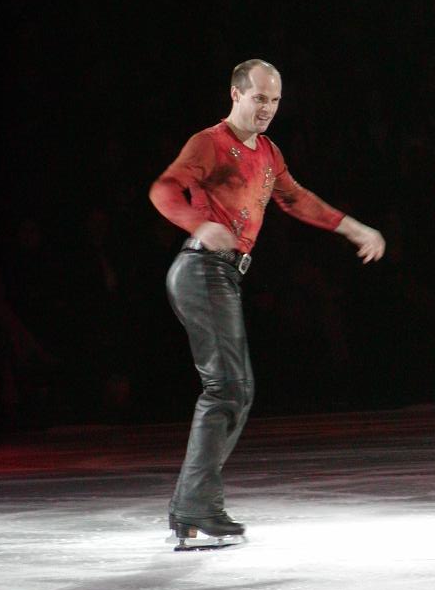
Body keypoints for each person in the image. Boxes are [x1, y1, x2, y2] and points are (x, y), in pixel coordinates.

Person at [149, 59, 385, 543]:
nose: (268, 109)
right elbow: (164, 189)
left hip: (221, 275)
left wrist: (354, 228)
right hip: (201, 269)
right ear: (235, 94)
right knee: (228, 388)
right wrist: (199, 224)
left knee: (235, 390)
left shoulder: (269, 152)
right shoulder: (209, 143)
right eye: (259, 98)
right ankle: (195, 505)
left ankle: (192, 504)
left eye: (275, 100)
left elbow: (296, 198)